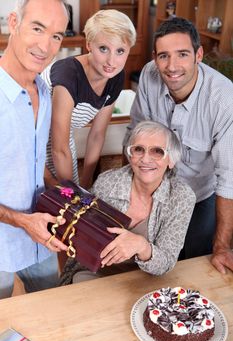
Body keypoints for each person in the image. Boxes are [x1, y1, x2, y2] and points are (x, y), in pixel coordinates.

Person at [123, 17, 233, 274]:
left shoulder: (224, 99)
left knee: (197, 263)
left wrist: (222, 248)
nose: (172, 66)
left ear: (199, 54)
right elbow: (135, 133)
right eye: (164, 56)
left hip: (200, 194)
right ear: (154, 57)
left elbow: (229, 178)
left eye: (182, 54)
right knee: (148, 265)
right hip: (155, 189)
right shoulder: (150, 75)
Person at [60, 121, 196, 284]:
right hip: (96, 273)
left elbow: (166, 262)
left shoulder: (182, 197)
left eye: (157, 151)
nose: (146, 159)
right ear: (129, 154)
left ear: (171, 160)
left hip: (147, 279)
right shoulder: (107, 182)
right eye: (138, 149)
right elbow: (81, 238)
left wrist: (142, 246)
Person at [0, 0, 69, 299]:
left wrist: (66, 194)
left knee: (51, 314)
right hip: (7, 237)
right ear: (14, 23)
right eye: (38, 28)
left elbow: (31, 160)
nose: (46, 45)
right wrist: (22, 221)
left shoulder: (43, 90)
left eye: (56, 36)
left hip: (41, 235)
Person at [42, 9, 136, 189]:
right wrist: (72, 193)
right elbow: (59, 149)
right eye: (103, 48)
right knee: (48, 195)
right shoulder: (68, 75)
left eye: (120, 51)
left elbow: (97, 134)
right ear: (89, 44)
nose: (111, 61)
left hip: (62, 136)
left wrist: (86, 186)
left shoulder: (115, 77)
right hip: (29, 136)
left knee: (75, 191)